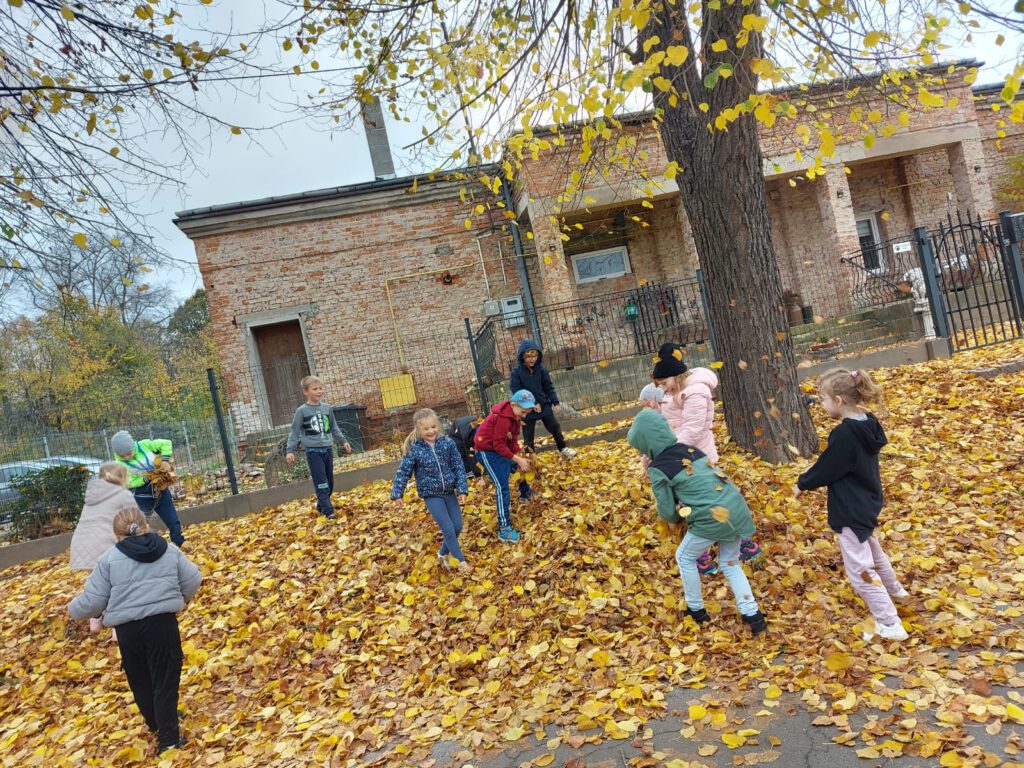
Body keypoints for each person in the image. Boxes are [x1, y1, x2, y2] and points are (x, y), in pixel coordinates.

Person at [69, 506, 201, 755]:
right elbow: (193, 579)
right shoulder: (169, 550)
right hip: (162, 624)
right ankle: (169, 739)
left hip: (128, 630)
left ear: (117, 535)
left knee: (140, 679)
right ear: (146, 525)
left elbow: (93, 600)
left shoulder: (108, 559)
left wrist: (73, 611)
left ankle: (156, 723)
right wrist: (182, 599)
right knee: (165, 679)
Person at [627, 409, 767, 635]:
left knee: (684, 557)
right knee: (730, 563)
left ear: (645, 444)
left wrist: (676, 511)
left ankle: (696, 610)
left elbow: (668, 512)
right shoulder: (690, 449)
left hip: (710, 518)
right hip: (736, 508)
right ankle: (753, 616)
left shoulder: (658, 468)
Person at [795, 368, 909, 642]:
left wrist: (803, 483)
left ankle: (890, 623)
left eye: (822, 399)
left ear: (838, 400)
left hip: (850, 506)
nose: (821, 405)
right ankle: (895, 590)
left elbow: (828, 467)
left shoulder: (844, 434)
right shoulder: (868, 422)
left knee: (859, 569)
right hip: (867, 499)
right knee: (871, 545)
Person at [651, 342, 762, 572]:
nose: (664, 388)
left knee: (711, 503)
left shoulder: (696, 391)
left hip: (698, 458)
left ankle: (744, 543)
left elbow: (693, 428)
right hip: (679, 460)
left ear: (676, 376)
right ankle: (701, 554)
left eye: (665, 384)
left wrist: (669, 454)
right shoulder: (672, 394)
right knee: (687, 505)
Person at [391, 408, 472, 572]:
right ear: (418, 430)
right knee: (448, 528)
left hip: (449, 492)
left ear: (439, 426)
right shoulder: (414, 449)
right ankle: (460, 561)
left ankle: (442, 553)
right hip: (432, 495)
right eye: (426, 429)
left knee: (457, 526)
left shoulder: (447, 443)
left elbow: (458, 466)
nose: (431, 431)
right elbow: (404, 471)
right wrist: (397, 492)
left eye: (433, 427)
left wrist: (462, 489)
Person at [70, 462, 139, 633]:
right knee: (117, 582)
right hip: (106, 541)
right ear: (122, 478)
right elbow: (135, 519)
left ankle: (95, 618)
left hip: (82, 542)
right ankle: (117, 627)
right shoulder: (123, 495)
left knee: (96, 581)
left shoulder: (92, 496)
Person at [285, 375, 353, 519]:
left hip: (328, 450)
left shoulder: (327, 408)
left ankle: (321, 505)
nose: (319, 391)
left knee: (329, 483)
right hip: (313, 452)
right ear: (305, 392)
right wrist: (290, 450)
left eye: (320, 388)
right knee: (322, 483)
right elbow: (295, 432)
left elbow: (334, 427)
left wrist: (343, 441)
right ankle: (329, 512)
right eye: (315, 389)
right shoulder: (301, 411)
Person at [473, 389, 536, 543]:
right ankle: (504, 529)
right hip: (487, 452)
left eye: (527, 412)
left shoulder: (515, 418)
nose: (525, 415)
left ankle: (525, 494)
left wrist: (519, 456)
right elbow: (499, 445)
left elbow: (512, 441)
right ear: (513, 405)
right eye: (523, 411)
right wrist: (516, 459)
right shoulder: (503, 418)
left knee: (517, 467)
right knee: (502, 488)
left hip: (498, 449)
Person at [110, 430, 186, 546]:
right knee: (139, 525)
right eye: (122, 456)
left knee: (172, 519)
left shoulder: (145, 445)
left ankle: (180, 542)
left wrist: (165, 460)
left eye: (128, 453)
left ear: (133, 446)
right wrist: (146, 479)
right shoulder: (119, 464)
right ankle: (139, 547)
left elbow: (166, 443)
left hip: (160, 490)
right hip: (141, 495)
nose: (126, 457)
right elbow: (129, 482)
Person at [509, 339, 577, 458]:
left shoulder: (541, 370)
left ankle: (563, 448)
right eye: (529, 357)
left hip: (544, 405)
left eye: (535, 356)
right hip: (526, 409)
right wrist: (532, 404)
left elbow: (548, 386)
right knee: (528, 436)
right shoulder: (516, 373)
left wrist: (555, 402)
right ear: (522, 357)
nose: (533, 359)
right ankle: (531, 457)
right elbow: (517, 391)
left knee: (555, 427)